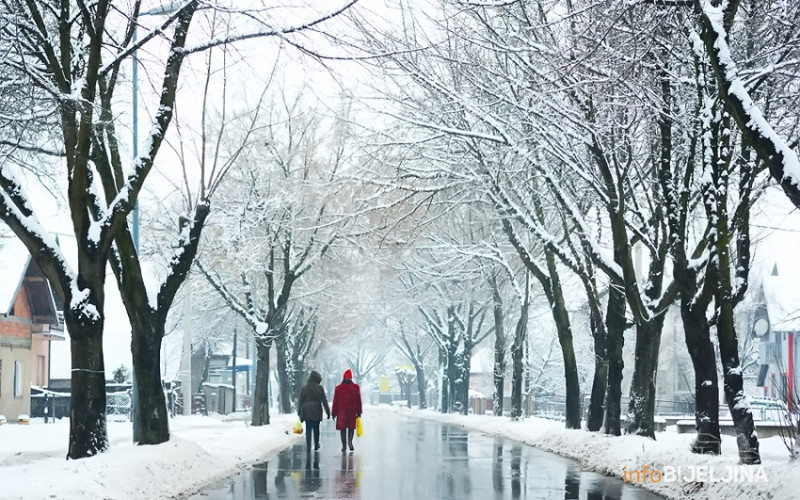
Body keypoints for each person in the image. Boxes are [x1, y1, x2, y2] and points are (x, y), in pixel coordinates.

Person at [297, 370, 331, 451]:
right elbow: (324, 400)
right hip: (316, 409)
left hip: (306, 409)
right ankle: (316, 444)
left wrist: (299, 410)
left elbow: (300, 400)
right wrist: (328, 412)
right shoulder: (320, 388)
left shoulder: (304, 387)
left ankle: (308, 444)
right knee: (316, 428)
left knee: (308, 427)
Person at [331, 369, 362, 452]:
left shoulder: (338, 388)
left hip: (342, 412)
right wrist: (359, 412)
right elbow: (358, 401)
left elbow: (335, 401)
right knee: (351, 428)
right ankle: (350, 442)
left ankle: (344, 445)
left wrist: (334, 413)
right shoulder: (355, 387)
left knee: (343, 429)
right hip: (352, 411)